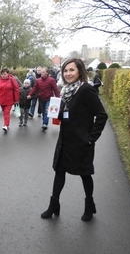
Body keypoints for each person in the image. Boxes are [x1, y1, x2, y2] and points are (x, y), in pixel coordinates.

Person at [40, 58, 108, 221]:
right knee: (59, 171)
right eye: (65, 71)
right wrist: (58, 114)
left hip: (82, 142)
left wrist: (91, 138)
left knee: (84, 174)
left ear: (80, 71)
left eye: (71, 70)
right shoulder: (66, 91)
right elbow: (69, 114)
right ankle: (54, 204)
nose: (68, 73)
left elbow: (101, 115)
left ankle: (89, 206)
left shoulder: (86, 90)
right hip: (65, 140)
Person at [27, 67, 60, 131]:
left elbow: (55, 89)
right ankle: (44, 120)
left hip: (49, 98)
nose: (41, 73)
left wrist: (58, 99)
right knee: (42, 111)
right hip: (41, 98)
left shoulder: (51, 80)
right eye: (41, 72)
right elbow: (35, 88)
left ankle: (45, 123)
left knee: (46, 111)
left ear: (47, 73)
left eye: (43, 72)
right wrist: (30, 94)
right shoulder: (38, 80)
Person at [0, 68, 20, 133]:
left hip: (9, 100)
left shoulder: (12, 80)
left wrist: (16, 100)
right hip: (1, 100)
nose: (3, 75)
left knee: (6, 112)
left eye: (5, 74)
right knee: (4, 111)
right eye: (2, 74)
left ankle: (6, 125)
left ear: (8, 74)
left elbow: (16, 89)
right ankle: (6, 123)